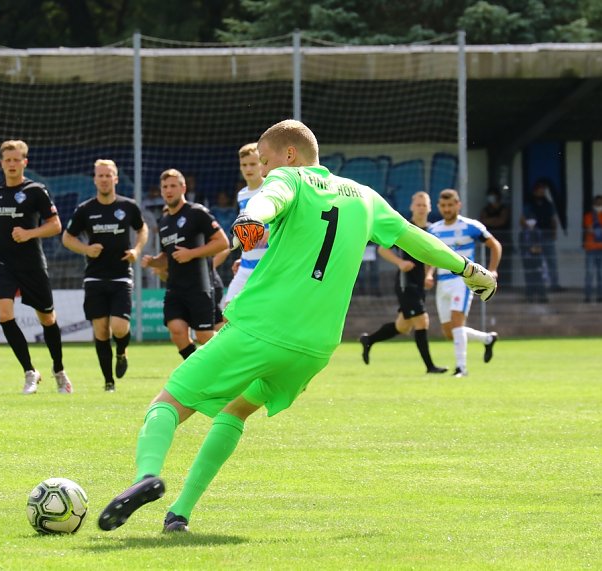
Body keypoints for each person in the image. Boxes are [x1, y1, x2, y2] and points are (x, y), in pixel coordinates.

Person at [97, 119, 497, 534]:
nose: (265, 171)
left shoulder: (290, 178)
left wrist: (250, 220)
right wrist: (466, 267)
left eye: (266, 162)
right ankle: (179, 514)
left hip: (262, 328)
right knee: (237, 410)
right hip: (315, 348)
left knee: (167, 403)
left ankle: (146, 476)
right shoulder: (364, 196)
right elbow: (412, 237)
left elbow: (268, 199)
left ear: (289, 155)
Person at [0, 139, 72, 395]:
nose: (11, 164)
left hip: (32, 264)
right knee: (4, 314)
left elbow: (55, 225)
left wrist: (29, 233)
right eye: (7, 160)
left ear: (24, 162)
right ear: (1, 163)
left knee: (47, 319)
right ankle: (30, 371)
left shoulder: (36, 190)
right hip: (4, 261)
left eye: (16, 160)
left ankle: (59, 370)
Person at [62, 159, 148, 393]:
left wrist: (136, 250)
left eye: (108, 175)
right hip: (95, 278)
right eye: (100, 175)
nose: (104, 179)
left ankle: (121, 351)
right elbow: (67, 238)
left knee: (119, 327)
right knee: (100, 330)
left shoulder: (128, 206)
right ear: (95, 179)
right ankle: (108, 382)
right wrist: (86, 249)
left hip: (121, 277)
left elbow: (142, 229)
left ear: (115, 179)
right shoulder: (85, 209)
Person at [141, 169, 229, 360]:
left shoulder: (196, 212)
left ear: (183, 188)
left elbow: (222, 243)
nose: (168, 190)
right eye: (165, 187)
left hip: (199, 285)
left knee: (204, 335)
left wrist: (192, 254)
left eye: (173, 186)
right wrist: (154, 261)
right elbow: (169, 256)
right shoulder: (164, 222)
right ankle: (198, 372)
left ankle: (232, 361)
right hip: (175, 288)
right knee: (177, 330)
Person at [359, 191, 447, 374]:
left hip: (420, 284)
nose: (421, 208)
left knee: (403, 326)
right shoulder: (405, 228)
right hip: (405, 283)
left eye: (424, 205)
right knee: (422, 321)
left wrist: (429, 274)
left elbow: (433, 257)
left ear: (430, 208)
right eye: (418, 204)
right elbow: (382, 250)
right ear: (411, 207)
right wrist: (400, 263)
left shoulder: (432, 230)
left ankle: (369, 340)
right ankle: (430, 367)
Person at [426, 189, 502, 378]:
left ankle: (461, 369)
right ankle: (487, 339)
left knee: (457, 321)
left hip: (463, 280)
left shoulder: (471, 226)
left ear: (458, 205)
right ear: (438, 207)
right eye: (443, 206)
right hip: (442, 282)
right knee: (449, 332)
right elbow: (431, 256)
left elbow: (495, 245)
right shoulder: (434, 229)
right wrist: (429, 273)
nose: (447, 209)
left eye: (451, 205)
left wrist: (492, 270)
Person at [222, 142, 266, 307]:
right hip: (246, 265)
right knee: (228, 312)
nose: (248, 169)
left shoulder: (272, 188)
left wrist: (270, 232)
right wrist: (242, 257)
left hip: (267, 267)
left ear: (262, 164)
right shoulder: (241, 195)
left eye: (253, 164)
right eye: (244, 165)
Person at [520, 179, 564, 292]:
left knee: (551, 260)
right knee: (536, 262)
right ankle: (537, 286)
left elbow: (553, 219)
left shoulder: (548, 204)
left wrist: (554, 232)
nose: (541, 193)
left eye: (543, 191)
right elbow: (522, 219)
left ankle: (554, 284)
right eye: (539, 191)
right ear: (535, 192)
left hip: (547, 234)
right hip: (534, 237)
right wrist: (529, 229)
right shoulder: (529, 204)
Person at [479, 185, 512, 285]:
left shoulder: (503, 208)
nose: (491, 197)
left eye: (493, 195)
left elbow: (501, 221)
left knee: (504, 264)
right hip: (489, 240)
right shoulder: (486, 209)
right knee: (488, 262)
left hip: (503, 240)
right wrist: (493, 220)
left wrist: (490, 221)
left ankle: (504, 285)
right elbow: (482, 221)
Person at [518, 218, 547, 303]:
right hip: (527, 258)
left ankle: (542, 296)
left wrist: (536, 249)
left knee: (539, 277)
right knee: (529, 277)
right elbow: (522, 245)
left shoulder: (538, 232)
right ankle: (529, 297)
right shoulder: (523, 233)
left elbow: (541, 245)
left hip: (537, 258)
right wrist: (530, 249)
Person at [583, 194, 602, 303]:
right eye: (597, 202)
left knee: (601, 274)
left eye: (601, 202)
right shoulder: (588, 216)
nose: (599, 204)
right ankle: (588, 296)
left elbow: (595, 231)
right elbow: (590, 229)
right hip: (590, 248)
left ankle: (600, 296)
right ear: (593, 204)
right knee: (589, 273)